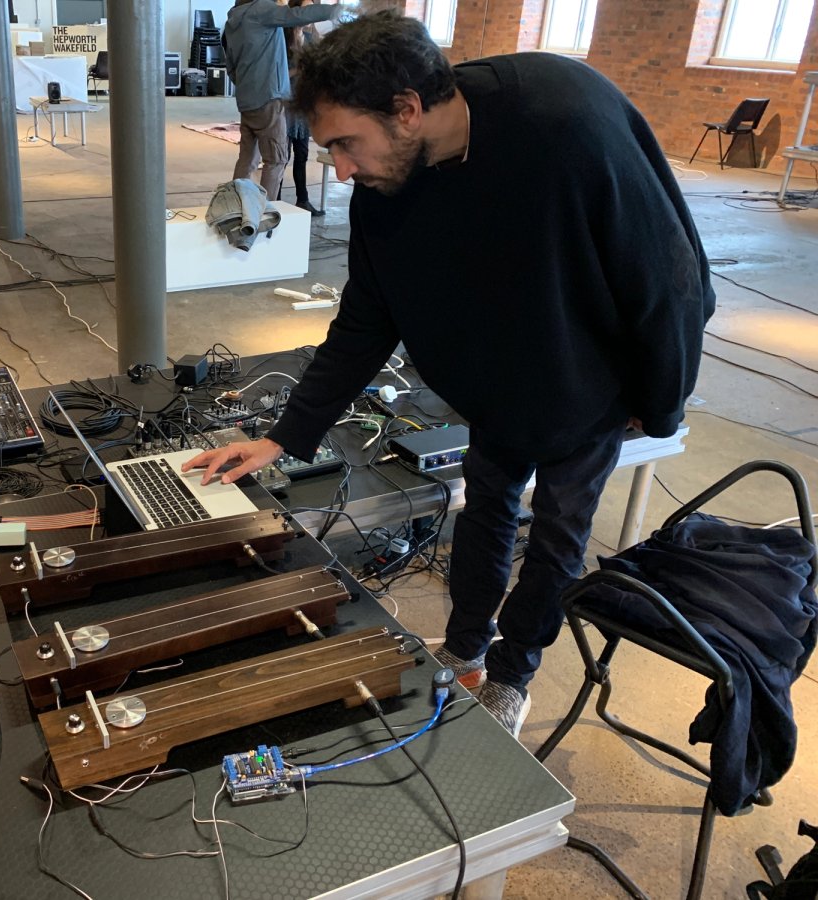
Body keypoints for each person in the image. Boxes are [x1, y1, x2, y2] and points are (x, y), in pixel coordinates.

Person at [184, 11, 715, 737]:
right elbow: (367, 317)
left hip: (585, 385)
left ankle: (513, 672)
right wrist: (285, 437)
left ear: (407, 110)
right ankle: (466, 650)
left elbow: (673, 284)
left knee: (559, 529)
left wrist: (660, 407)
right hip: (490, 386)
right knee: (485, 511)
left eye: (345, 143)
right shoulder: (386, 180)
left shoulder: (567, 122)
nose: (338, 168)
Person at [224, 0, 344, 202]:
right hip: (269, 98)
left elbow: (231, 66)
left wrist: (249, 85)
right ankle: (265, 215)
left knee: (248, 159)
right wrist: (339, 10)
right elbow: (297, 15)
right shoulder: (261, 10)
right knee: (276, 160)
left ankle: (234, 207)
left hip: (247, 100)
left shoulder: (233, 20)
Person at [282, 0, 324, 215]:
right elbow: (279, 72)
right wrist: (298, 69)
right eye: (305, 9)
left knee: (302, 153)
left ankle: (303, 199)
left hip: (302, 101)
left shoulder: (311, 37)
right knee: (282, 155)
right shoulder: (282, 35)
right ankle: (275, 199)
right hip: (285, 100)